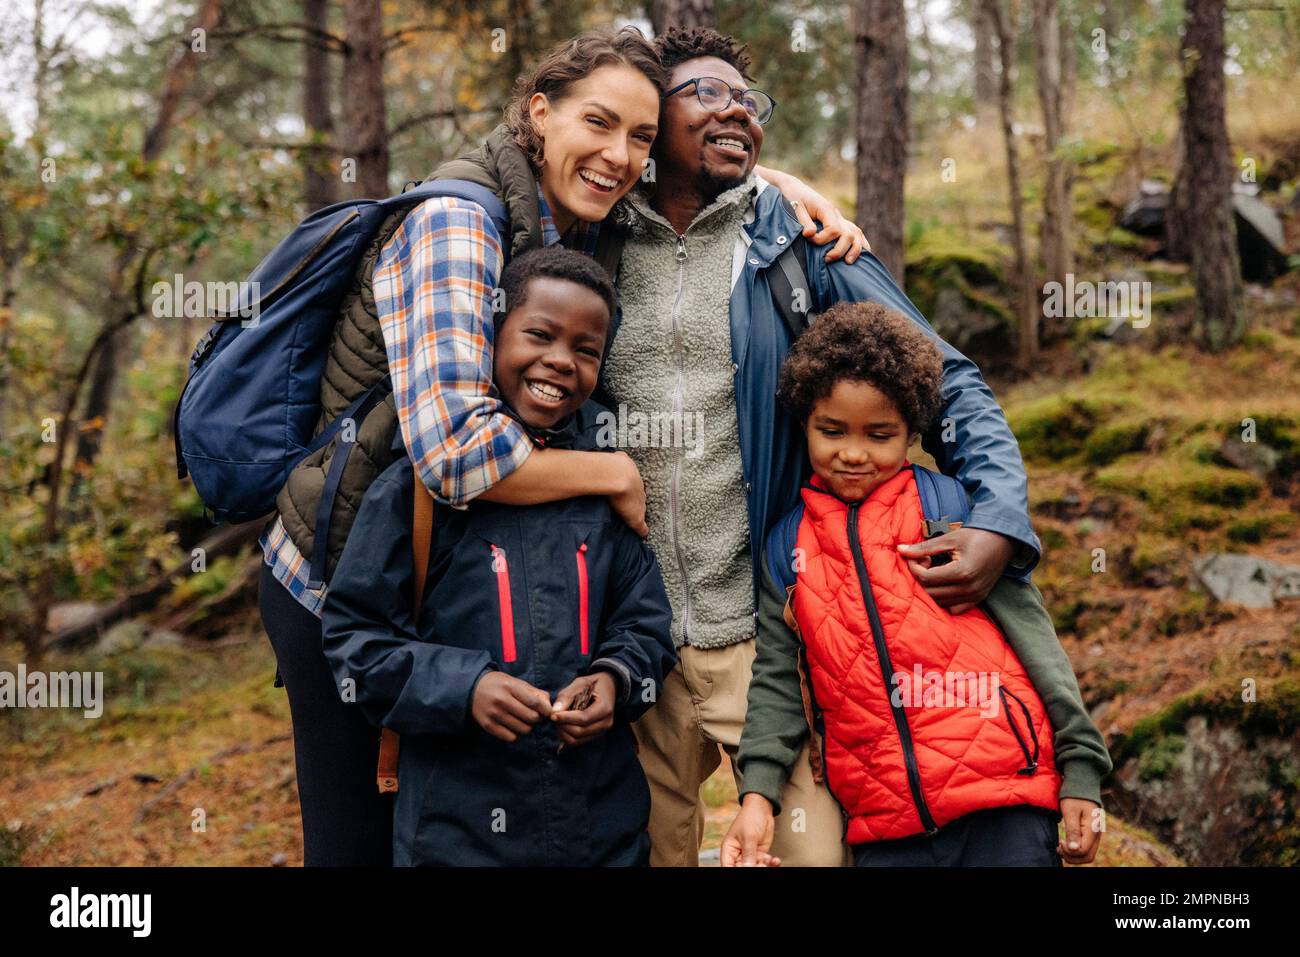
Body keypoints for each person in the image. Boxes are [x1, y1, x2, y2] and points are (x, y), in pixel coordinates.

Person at [257, 26, 864, 865]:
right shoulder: (456, 224)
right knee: (362, 837)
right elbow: (453, 458)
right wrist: (615, 470)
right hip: (341, 574)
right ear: (540, 112)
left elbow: (700, 186)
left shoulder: (562, 216)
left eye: (641, 137)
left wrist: (784, 188)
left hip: (446, 576)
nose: (619, 155)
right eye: (598, 122)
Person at [596, 25, 1047, 867]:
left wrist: (999, 517)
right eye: (706, 92)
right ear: (650, 117)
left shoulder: (801, 246)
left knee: (816, 853)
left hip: (769, 632)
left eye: (749, 100)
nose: (736, 109)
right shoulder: (596, 239)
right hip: (633, 638)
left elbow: (948, 382)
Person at [721, 302, 1112, 867]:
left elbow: (1035, 640)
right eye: (831, 431)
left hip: (1004, 803)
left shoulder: (952, 512)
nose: (853, 453)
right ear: (804, 420)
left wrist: (1081, 768)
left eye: (880, 435)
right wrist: (757, 796)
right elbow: (780, 684)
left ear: (911, 431)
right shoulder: (787, 550)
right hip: (885, 828)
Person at [321, 246, 675, 866]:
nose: (561, 361)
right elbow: (356, 640)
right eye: (539, 334)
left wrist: (616, 680)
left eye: (586, 349)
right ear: (490, 336)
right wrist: (465, 687)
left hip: (601, 826)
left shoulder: (605, 487)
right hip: (456, 833)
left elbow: (645, 623)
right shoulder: (417, 492)